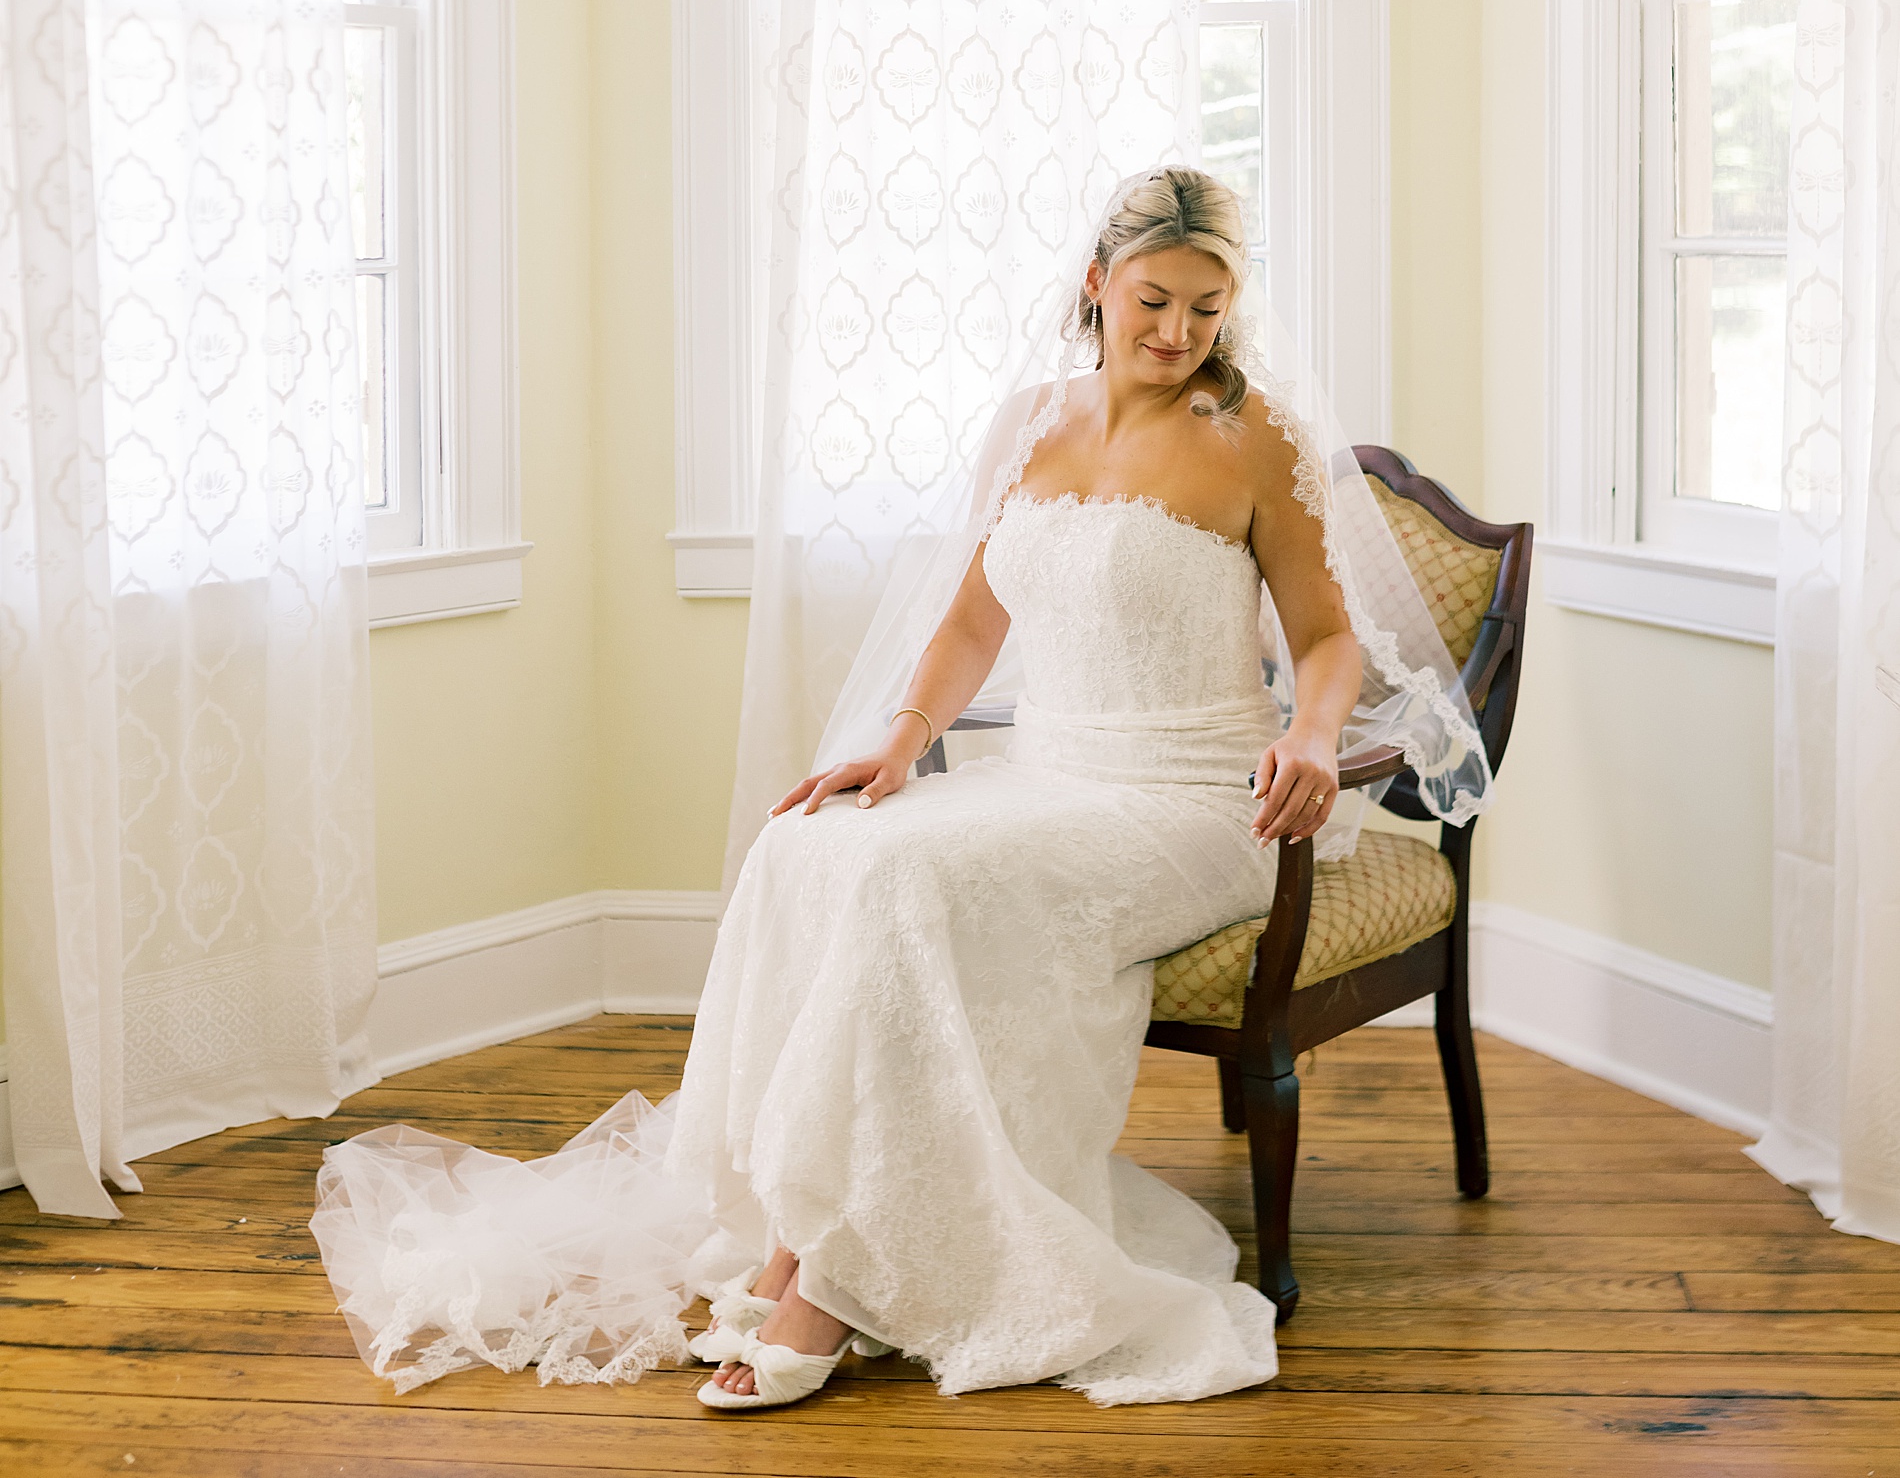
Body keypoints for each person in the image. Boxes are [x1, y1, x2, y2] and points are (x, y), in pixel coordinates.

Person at [311, 166, 1489, 1410]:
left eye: (1207, 306)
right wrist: (904, 731)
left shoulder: (1255, 438)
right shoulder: (1029, 420)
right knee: (813, 847)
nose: (1177, 332)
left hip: (1196, 800)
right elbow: (974, 619)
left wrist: (1310, 735)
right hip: (1049, 774)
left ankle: (818, 1282)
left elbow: (1326, 641)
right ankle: (802, 1226)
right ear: (1095, 282)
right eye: (1153, 298)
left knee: (915, 881)